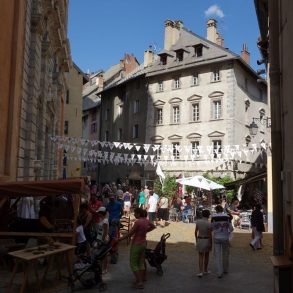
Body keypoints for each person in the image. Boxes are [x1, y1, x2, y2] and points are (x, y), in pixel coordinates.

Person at [118, 207, 156, 289]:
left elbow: (130, 233)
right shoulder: (146, 220)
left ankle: (139, 282)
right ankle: (141, 279)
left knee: (134, 263)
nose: (134, 215)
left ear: (138, 214)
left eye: (135, 213)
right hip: (143, 244)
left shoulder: (138, 222)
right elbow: (153, 226)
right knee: (141, 262)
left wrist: (120, 239)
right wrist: (146, 231)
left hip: (136, 244)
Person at [211, 205, 233, 278]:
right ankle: (225, 269)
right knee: (225, 254)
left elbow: (211, 227)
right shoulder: (227, 217)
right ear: (222, 209)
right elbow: (231, 228)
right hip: (225, 237)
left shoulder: (213, 217)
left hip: (216, 237)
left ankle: (219, 273)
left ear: (216, 210)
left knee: (217, 255)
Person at [195, 209, 212, 277]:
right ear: (208, 215)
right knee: (206, 256)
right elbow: (210, 234)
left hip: (200, 238)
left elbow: (195, 231)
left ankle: (200, 271)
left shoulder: (198, 222)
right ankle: (205, 270)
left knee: (200, 256)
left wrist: (196, 239)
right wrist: (211, 243)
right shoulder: (209, 223)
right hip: (206, 239)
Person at [94, 206, 110, 274]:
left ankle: (105, 268)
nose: (98, 214)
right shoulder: (101, 219)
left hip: (103, 239)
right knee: (101, 254)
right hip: (99, 238)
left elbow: (105, 232)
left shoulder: (105, 221)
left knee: (104, 255)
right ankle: (101, 267)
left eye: (99, 213)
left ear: (101, 213)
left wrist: (102, 241)